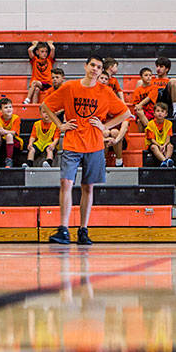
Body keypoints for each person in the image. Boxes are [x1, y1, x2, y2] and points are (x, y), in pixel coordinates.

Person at [41, 55, 131, 245]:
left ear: (101, 71)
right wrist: (60, 125)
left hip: (94, 144)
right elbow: (46, 105)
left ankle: (83, 229)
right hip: (72, 142)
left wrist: (105, 126)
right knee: (66, 183)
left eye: (99, 67)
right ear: (85, 66)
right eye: (92, 65)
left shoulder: (105, 91)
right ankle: (63, 229)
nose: (95, 69)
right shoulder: (70, 87)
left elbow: (126, 113)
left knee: (88, 187)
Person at [0, 95, 21, 167]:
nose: (9, 109)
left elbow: (14, 133)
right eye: (6, 107)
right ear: (1, 110)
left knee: (9, 135)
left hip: (15, 141)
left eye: (10, 107)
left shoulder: (16, 118)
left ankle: (9, 160)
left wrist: (4, 131)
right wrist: (4, 132)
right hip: (2, 142)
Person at [25, 39, 58, 106]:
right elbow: (30, 50)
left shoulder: (49, 60)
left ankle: (27, 99)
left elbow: (52, 49)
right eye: (42, 51)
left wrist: (50, 44)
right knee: (36, 90)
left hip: (48, 83)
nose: (44, 53)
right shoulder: (35, 60)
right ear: (37, 52)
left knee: (34, 83)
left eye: (46, 52)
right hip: (39, 84)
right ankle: (34, 106)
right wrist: (34, 45)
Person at [144, 102, 175, 167]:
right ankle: (165, 161)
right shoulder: (150, 124)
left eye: (162, 111)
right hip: (155, 143)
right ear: (154, 113)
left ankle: (167, 160)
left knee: (170, 146)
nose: (160, 113)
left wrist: (164, 145)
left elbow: (168, 138)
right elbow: (152, 139)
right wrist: (159, 146)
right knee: (153, 147)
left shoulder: (169, 123)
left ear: (166, 114)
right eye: (158, 111)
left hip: (164, 144)